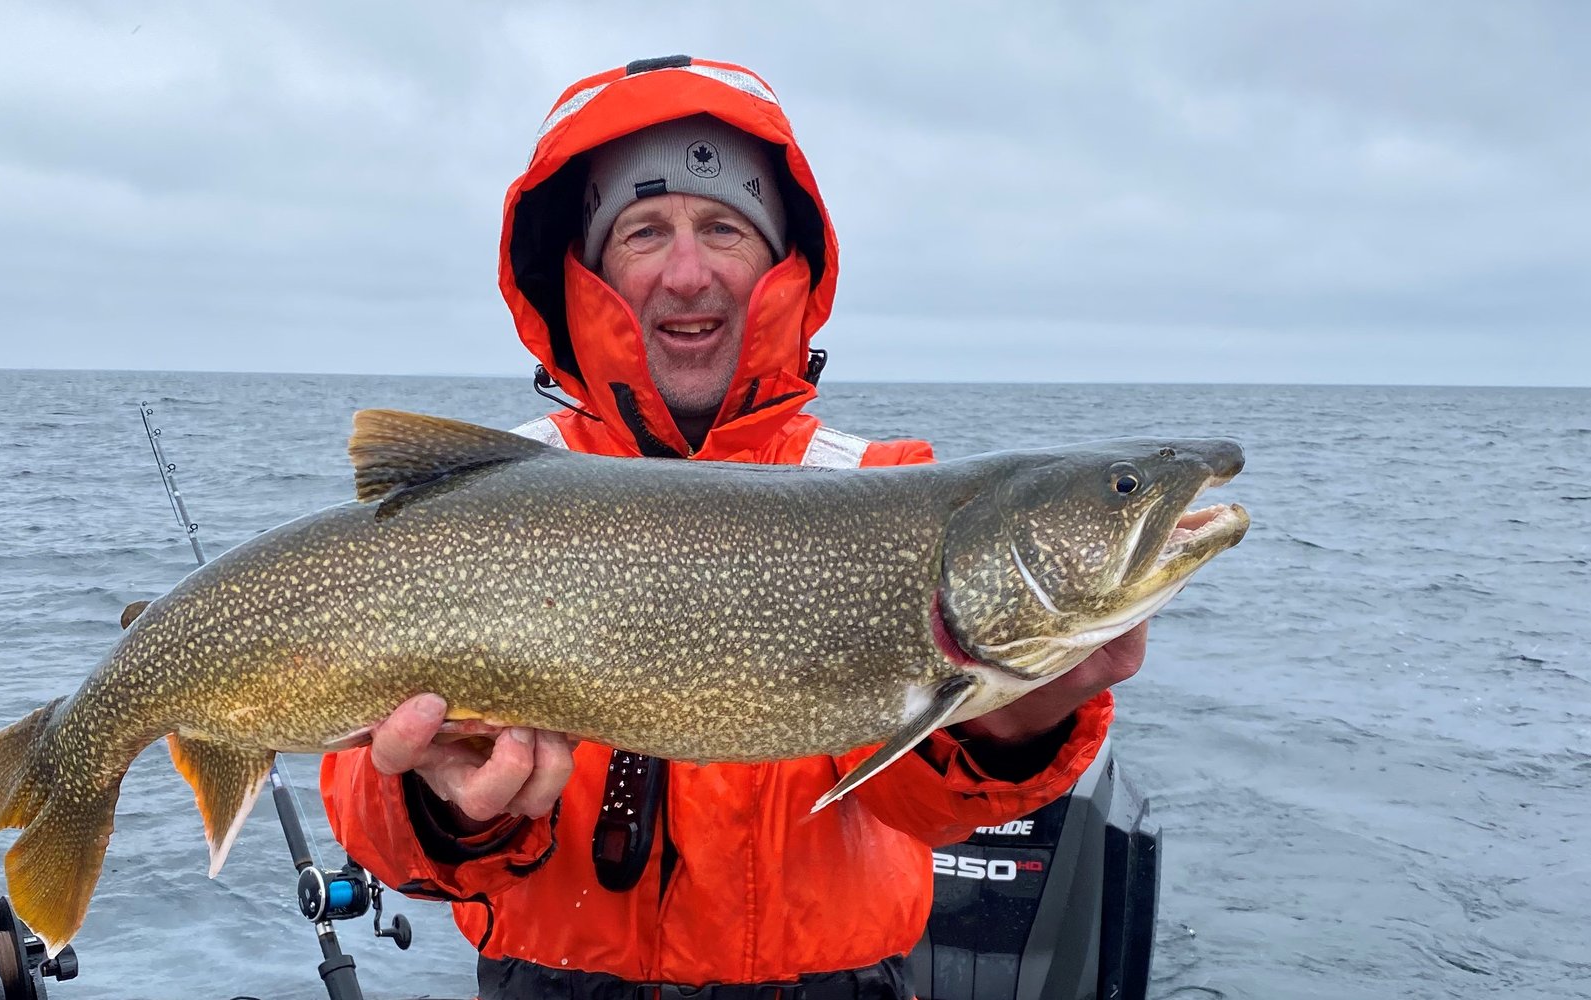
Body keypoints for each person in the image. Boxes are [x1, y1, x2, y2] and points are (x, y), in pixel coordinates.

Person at [321, 56, 1146, 1000]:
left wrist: (1018, 727)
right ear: (583, 270)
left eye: (723, 226)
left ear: (781, 262)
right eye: (643, 230)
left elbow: (919, 806)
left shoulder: (883, 491)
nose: (688, 271)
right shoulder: (487, 497)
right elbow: (366, 803)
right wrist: (445, 808)